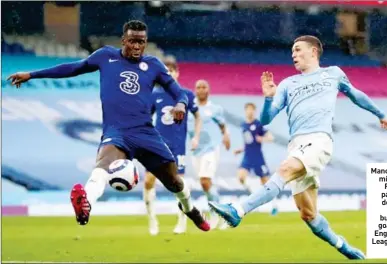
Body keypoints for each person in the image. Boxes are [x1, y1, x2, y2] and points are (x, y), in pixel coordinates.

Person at [7, 20, 210, 232]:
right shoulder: (105, 56)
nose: (137, 46)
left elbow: (177, 92)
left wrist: (180, 104)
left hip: (145, 132)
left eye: (141, 42)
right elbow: (73, 68)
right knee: (102, 166)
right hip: (117, 132)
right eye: (132, 41)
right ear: (123, 40)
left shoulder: (154, 65)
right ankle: (85, 207)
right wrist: (32, 74)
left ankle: (191, 210)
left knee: (174, 182)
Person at [209, 35, 387, 259]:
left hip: (319, 140)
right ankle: (344, 247)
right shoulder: (288, 84)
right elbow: (266, 119)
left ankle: (237, 211)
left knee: (285, 170)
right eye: (292, 51)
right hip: (296, 144)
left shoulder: (333, 73)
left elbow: (355, 95)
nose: (293, 54)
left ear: (314, 51)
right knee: (308, 214)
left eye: (298, 50)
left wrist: (381, 114)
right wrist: (268, 98)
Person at [143, 57, 202, 235]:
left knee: (179, 184)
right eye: (165, 72)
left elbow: (198, 116)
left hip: (177, 146)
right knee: (148, 181)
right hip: (157, 146)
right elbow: (145, 117)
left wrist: (196, 137)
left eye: (172, 71)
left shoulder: (186, 95)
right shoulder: (154, 95)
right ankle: (152, 220)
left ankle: (182, 220)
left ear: (177, 73)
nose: (169, 74)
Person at [188, 79, 230, 229]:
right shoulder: (190, 109)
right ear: (195, 90)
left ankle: (215, 215)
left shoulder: (215, 109)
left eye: (203, 87)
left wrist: (226, 136)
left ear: (208, 90)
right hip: (196, 152)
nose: (200, 89)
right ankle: (223, 211)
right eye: (198, 87)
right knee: (205, 184)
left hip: (211, 150)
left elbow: (222, 125)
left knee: (205, 181)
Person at [233, 102, 278, 215]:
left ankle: (274, 205)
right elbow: (248, 142)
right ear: (245, 111)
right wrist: (240, 149)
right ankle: (253, 198)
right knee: (241, 177)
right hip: (247, 156)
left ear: (254, 111)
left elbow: (271, 138)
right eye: (248, 109)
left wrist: (262, 139)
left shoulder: (258, 124)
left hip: (258, 157)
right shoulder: (243, 125)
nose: (250, 111)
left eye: (252, 109)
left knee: (266, 183)